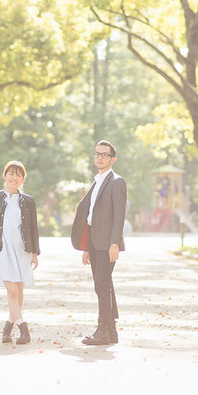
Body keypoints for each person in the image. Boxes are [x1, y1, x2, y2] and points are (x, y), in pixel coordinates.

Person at [0, 160, 40, 345]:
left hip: (22, 250)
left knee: (19, 291)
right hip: (2, 249)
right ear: (5, 176)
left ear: (22, 179)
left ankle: (8, 328)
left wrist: (34, 253)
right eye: (11, 173)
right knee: (12, 291)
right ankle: (23, 328)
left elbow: (33, 228)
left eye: (19, 175)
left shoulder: (28, 201)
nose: (14, 177)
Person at [70, 140, 126, 345]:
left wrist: (115, 243)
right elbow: (91, 215)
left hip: (107, 243)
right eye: (97, 154)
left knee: (102, 285)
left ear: (112, 159)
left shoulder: (117, 181)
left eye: (104, 154)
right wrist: (86, 246)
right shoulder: (97, 181)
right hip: (94, 241)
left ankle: (102, 331)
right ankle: (111, 331)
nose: (100, 157)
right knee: (105, 284)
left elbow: (119, 215)